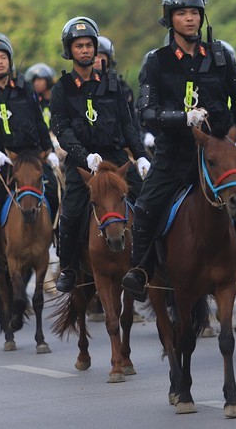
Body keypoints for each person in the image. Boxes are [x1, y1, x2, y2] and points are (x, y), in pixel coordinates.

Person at [121, 0, 236, 302]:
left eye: (195, 12)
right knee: (145, 208)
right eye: (182, 13)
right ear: (170, 19)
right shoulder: (156, 61)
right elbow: (147, 112)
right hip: (175, 154)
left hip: (217, 152)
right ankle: (140, 270)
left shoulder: (221, 55)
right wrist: (182, 118)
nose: (190, 18)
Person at [51, 17, 151, 292]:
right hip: (82, 162)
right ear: (69, 51)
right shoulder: (61, 88)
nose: (85, 50)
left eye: (89, 45)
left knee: (146, 202)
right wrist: (85, 156)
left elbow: (127, 122)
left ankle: (146, 264)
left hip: (116, 158)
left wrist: (140, 155)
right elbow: (61, 130)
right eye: (79, 46)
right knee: (71, 212)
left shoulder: (113, 84)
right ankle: (69, 267)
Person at [0, 33, 60, 276]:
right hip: (2, 160)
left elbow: (40, 123)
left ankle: (60, 244)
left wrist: (48, 152)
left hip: (31, 156)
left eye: (3, 57)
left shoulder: (25, 89)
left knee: (54, 192)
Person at [23, 63, 57, 129]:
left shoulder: (60, 101)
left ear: (48, 80)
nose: (36, 83)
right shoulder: (34, 102)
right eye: (34, 80)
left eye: (39, 79)